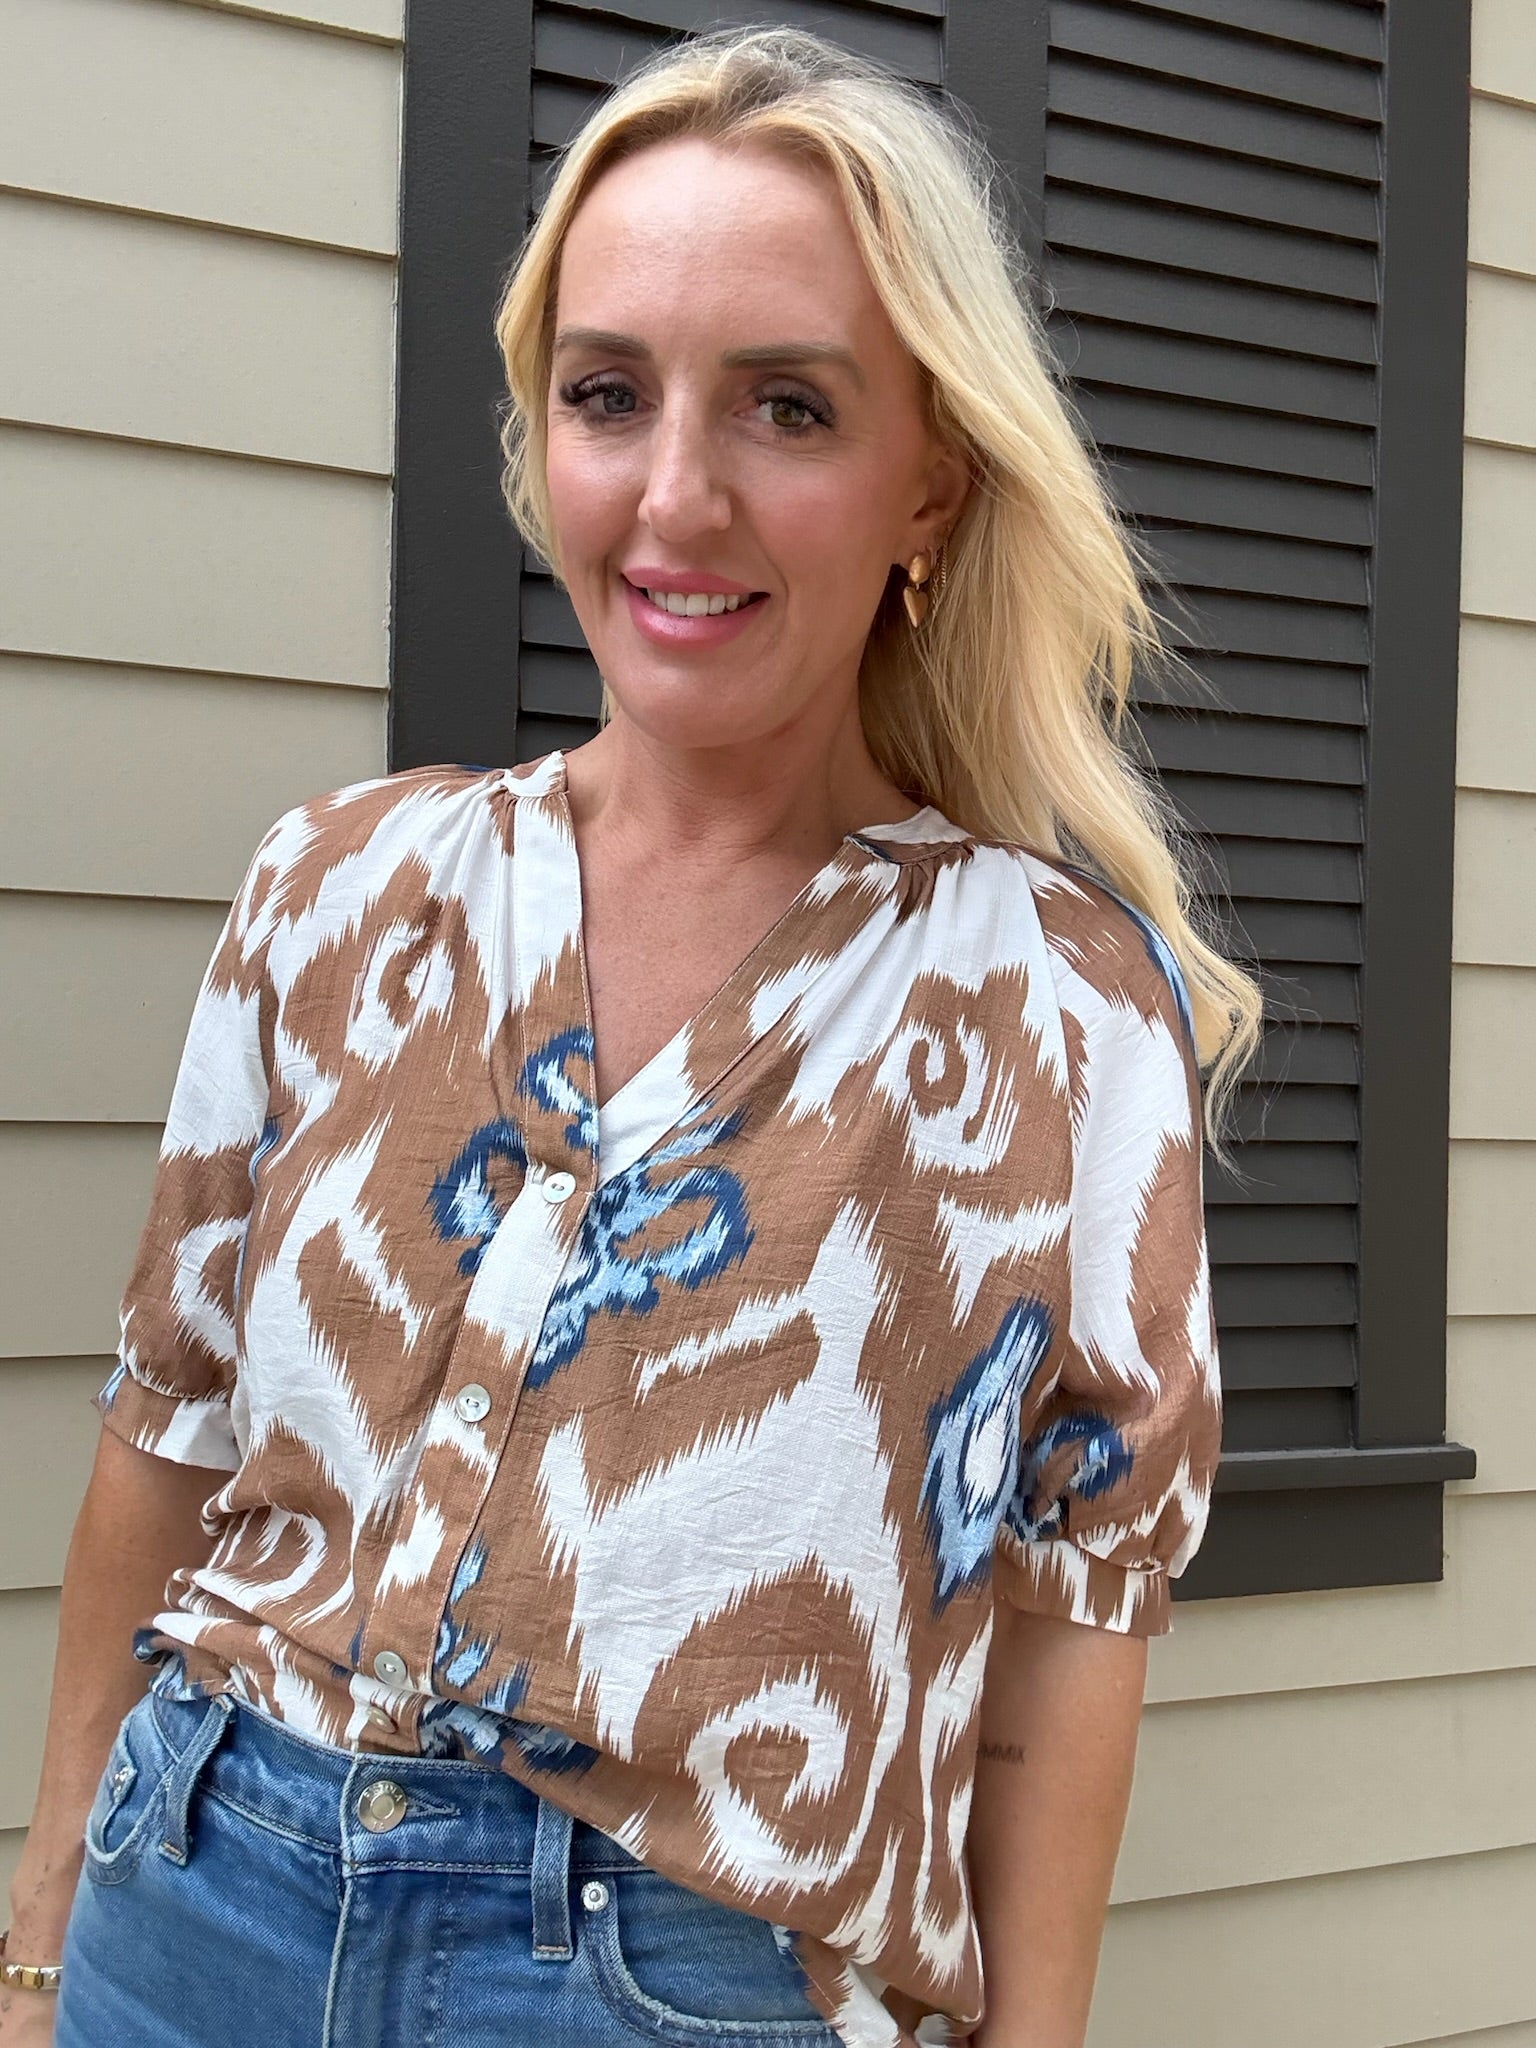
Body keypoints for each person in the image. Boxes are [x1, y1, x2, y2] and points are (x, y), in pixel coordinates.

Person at [1, 25, 1261, 2048]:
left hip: (658, 1976)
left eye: (785, 405)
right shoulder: (337, 885)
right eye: (609, 396)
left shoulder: (1057, 1004)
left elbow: (1065, 1636)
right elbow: (165, 1436)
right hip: (198, 1890)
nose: (676, 495)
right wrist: (44, 1932)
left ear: (929, 471)